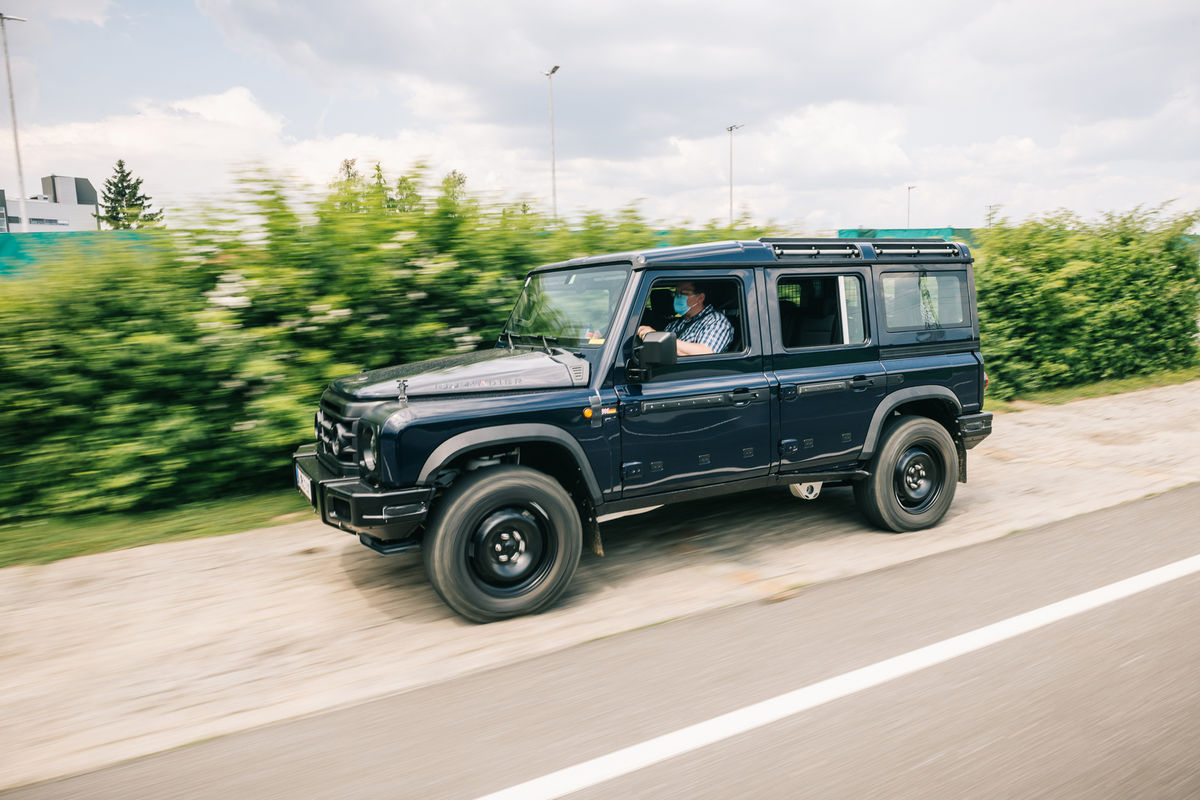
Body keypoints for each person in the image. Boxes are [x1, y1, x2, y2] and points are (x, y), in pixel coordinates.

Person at [637, 280, 733, 356]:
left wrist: (658, 337)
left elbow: (706, 353)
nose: (677, 297)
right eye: (676, 293)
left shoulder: (716, 321)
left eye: (682, 293)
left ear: (700, 298)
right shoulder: (675, 324)